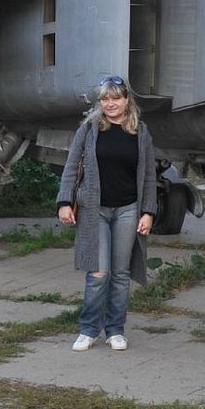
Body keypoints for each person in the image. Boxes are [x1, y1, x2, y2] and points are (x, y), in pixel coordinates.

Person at [56, 75, 158, 351]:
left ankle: (115, 329)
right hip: (94, 210)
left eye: (115, 98)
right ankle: (88, 329)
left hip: (128, 210)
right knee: (99, 272)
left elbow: (149, 176)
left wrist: (148, 211)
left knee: (121, 273)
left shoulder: (141, 133)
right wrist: (64, 202)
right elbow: (71, 166)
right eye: (105, 99)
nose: (110, 104)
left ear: (127, 100)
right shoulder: (89, 130)